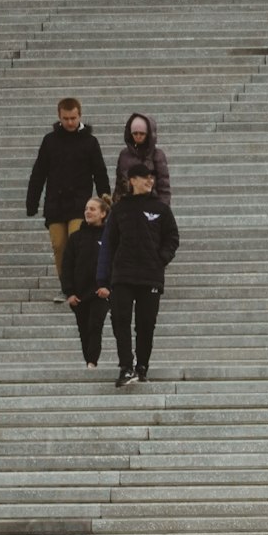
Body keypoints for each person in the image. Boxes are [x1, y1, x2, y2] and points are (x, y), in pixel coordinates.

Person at [97, 161, 179, 387]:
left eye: (152, 178)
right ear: (132, 180)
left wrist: (160, 259)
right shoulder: (120, 209)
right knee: (120, 319)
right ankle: (126, 366)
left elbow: (172, 238)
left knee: (146, 323)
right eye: (145, 177)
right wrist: (104, 277)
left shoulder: (160, 208)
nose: (150, 181)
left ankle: (142, 365)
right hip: (123, 274)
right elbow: (109, 244)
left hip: (150, 275)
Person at [26, 97, 110, 297]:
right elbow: (39, 172)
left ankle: (79, 286)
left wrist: (105, 198)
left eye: (73, 118)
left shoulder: (90, 142)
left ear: (80, 115)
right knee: (59, 245)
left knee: (76, 241)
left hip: (80, 203)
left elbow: (100, 172)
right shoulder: (50, 141)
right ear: (59, 117)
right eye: (66, 118)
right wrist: (32, 201)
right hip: (55, 204)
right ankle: (67, 288)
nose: (70, 122)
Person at [60, 194, 112, 369]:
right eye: (86, 209)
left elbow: (116, 262)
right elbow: (67, 266)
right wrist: (69, 292)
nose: (88, 212)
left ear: (103, 213)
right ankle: (88, 360)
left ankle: (92, 362)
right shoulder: (76, 238)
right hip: (80, 294)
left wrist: (108, 287)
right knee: (83, 329)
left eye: (92, 209)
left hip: (100, 292)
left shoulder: (110, 236)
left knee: (94, 325)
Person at [114, 112, 171, 203]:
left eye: (142, 134)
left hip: (151, 203)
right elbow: (119, 185)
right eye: (135, 133)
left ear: (148, 134)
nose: (138, 136)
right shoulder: (124, 155)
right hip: (128, 203)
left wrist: (163, 209)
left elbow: (163, 186)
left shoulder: (157, 155)